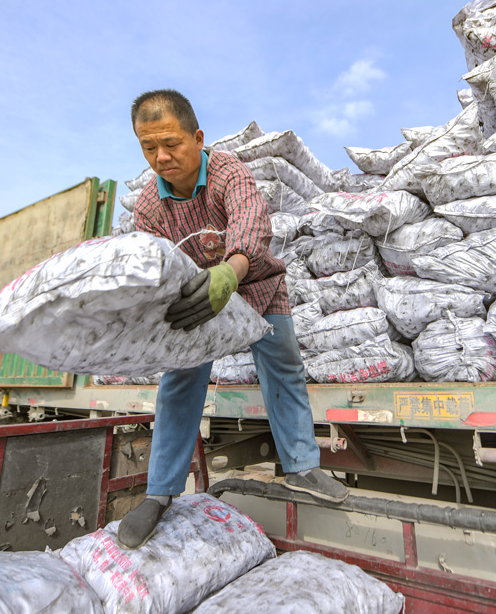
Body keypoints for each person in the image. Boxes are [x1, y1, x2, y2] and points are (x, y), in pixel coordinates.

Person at [116, 89, 348, 550]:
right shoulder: (148, 207)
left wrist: (232, 269)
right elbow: (152, 265)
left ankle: (303, 467)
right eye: (148, 147)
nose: (161, 157)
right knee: (180, 379)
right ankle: (160, 493)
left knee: (282, 363)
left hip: (257, 285)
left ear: (197, 137)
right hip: (198, 301)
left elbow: (252, 222)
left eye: (171, 144)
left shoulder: (227, 172)